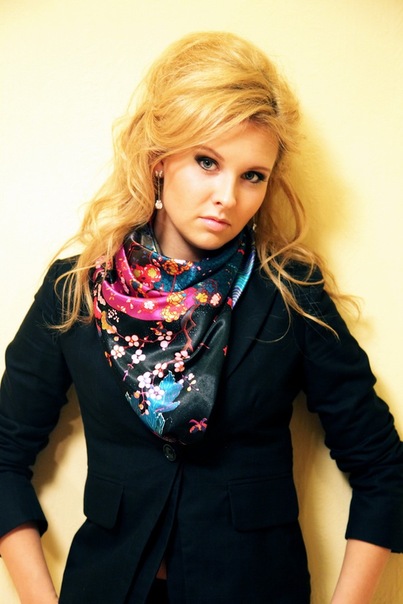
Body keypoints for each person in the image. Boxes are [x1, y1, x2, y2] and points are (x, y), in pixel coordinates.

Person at [0, 31, 402, 604]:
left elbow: (383, 468)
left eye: (252, 175)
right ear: (160, 160)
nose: (228, 197)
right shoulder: (77, 289)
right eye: (207, 162)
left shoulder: (289, 295)